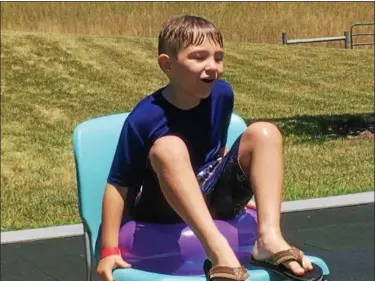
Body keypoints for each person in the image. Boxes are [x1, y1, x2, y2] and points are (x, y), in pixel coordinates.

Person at [96, 15, 322, 281]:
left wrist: (245, 190)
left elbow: (216, 151)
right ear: (167, 65)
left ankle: (269, 238)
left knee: (265, 132)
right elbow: (117, 185)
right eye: (199, 57)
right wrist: (108, 250)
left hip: (208, 192)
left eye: (218, 57)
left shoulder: (222, 95)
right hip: (162, 206)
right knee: (169, 147)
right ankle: (219, 253)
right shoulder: (145, 117)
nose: (212, 66)